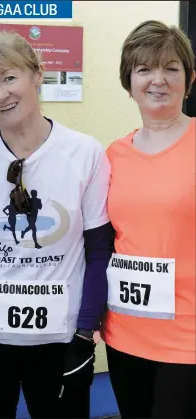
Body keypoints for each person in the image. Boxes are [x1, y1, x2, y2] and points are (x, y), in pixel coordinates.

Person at [0, 30, 114, 418]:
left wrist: (85, 334)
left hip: (58, 340)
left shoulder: (84, 153)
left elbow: (99, 248)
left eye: (9, 78)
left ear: (37, 74)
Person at [101, 20, 196, 418]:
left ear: (189, 81)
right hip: (125, 331)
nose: (158, 80)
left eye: (171, 68)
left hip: (188, 335)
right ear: (129, 82)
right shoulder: (112, 155)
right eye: (144, 69)